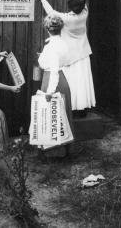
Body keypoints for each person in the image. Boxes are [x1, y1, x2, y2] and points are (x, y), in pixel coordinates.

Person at [36, 0, 96, 115]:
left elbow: (51, 12)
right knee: (83, 84)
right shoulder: (84, 13)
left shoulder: (67, 18)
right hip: (83, 54)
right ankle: (83, 109)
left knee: (72, 84)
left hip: (69, 57)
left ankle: (71, 109)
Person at [38, 15, 74, 157]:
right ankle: (65, 149)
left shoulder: (51, 46)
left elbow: (53, 71)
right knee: (62, 114)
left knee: (51, 115)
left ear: (47, 29)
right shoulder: (63, 43)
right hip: (63, 78)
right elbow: (66, 61)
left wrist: (50, 91)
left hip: (52, 80)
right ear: (61, 28)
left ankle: (54, 153)